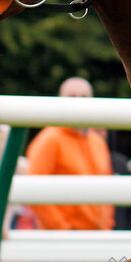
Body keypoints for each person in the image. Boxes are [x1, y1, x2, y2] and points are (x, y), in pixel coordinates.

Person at [26, 77, 114, 231]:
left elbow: (108, 189)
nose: (78, 101)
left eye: (84, 97)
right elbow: (33, 190)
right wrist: (61, 229)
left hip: (98, 237)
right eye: (72, 96)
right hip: (62, 239)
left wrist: (106, 227)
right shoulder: (49, 139)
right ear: (60, 100)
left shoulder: (97, 142)